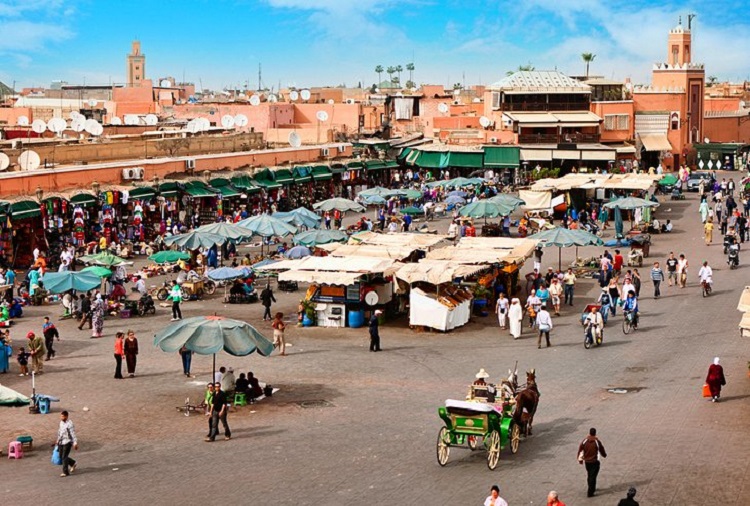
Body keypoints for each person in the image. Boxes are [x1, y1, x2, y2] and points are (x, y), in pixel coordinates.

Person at [578, 427, 607, 497]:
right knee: (593, 476)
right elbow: (601, 449)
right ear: (595, 433)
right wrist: (604, 455)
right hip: (594, 461)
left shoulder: (585, 441)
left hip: (587, 462)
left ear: (589, 433)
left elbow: (580, 449)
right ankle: (590, 492)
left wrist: (580, 459)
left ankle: (591, 487)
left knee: (589, 474)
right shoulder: (597, 442)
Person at [56, 410, 78, 477]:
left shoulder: (70, 424)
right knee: (60, 456)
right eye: (61, 416)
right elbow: (60, 432)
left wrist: (75, 443)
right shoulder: (61, 423)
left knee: (64, 457)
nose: (61, 417)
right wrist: (57, 440)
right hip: (61, 442)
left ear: (66, 416)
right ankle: (73, 463)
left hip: (67, 442)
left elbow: (73, 434)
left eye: (63, 416)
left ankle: (65, 472)